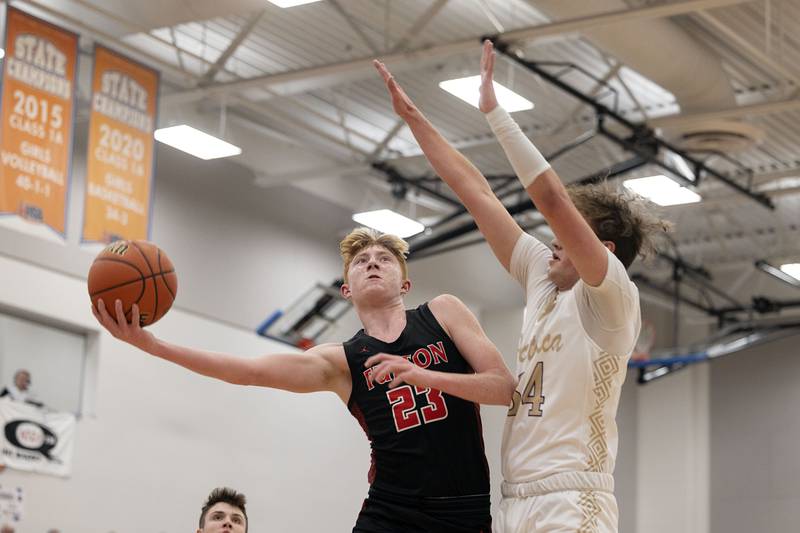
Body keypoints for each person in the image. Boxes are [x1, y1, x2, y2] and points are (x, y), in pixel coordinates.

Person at [374, 40, 669, 533]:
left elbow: (551, 197)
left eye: (566, 238)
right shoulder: (542, 274)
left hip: (573, 496)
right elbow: (478, 195)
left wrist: (494, 112)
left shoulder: (611, 297)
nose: (551, 243)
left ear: (605, 251)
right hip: (515, 498)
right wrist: (415, 121)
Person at [93, 227, 515, 533]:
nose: (372, 263)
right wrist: (152, 346)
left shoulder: (443, 313)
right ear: (346, 290)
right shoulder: (342, 361)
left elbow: (503, 388)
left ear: (404, 282)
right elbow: (247, 371)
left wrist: (425, 376)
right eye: (361, 261)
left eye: (384, 259)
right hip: (392, 510)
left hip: (465, 509)